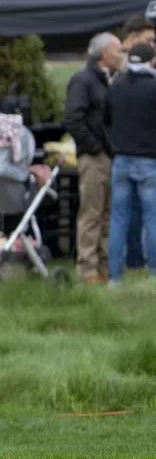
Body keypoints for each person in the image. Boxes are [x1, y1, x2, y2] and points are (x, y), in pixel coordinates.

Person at [64, 32, 122, 284]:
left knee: (108, 213)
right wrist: (94, 147)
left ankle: (105, 263)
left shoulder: (108, 80)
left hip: (109, 154)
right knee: (92, 212)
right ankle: (87, 267)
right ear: (103, 54)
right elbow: (73, 118)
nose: (121, 55)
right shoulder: (83, 80)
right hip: (94, 156)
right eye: (117, 50)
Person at [104, 42, 156, 286]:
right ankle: (153, 274)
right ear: (151, 61)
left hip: (121, 159)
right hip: (149, 160)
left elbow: (106, 119)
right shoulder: (153, 87)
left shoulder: (116, 86)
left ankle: (115, 276)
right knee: (152, 218)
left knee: (118, 218)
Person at [120, 16, 155, 271]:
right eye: (149, 40)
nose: (153, 46)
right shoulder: (124, 71)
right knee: (138, 213)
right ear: (132, 38)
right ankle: (139, 260)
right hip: (138, 151)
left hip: (127, 151)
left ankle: (133, 261)